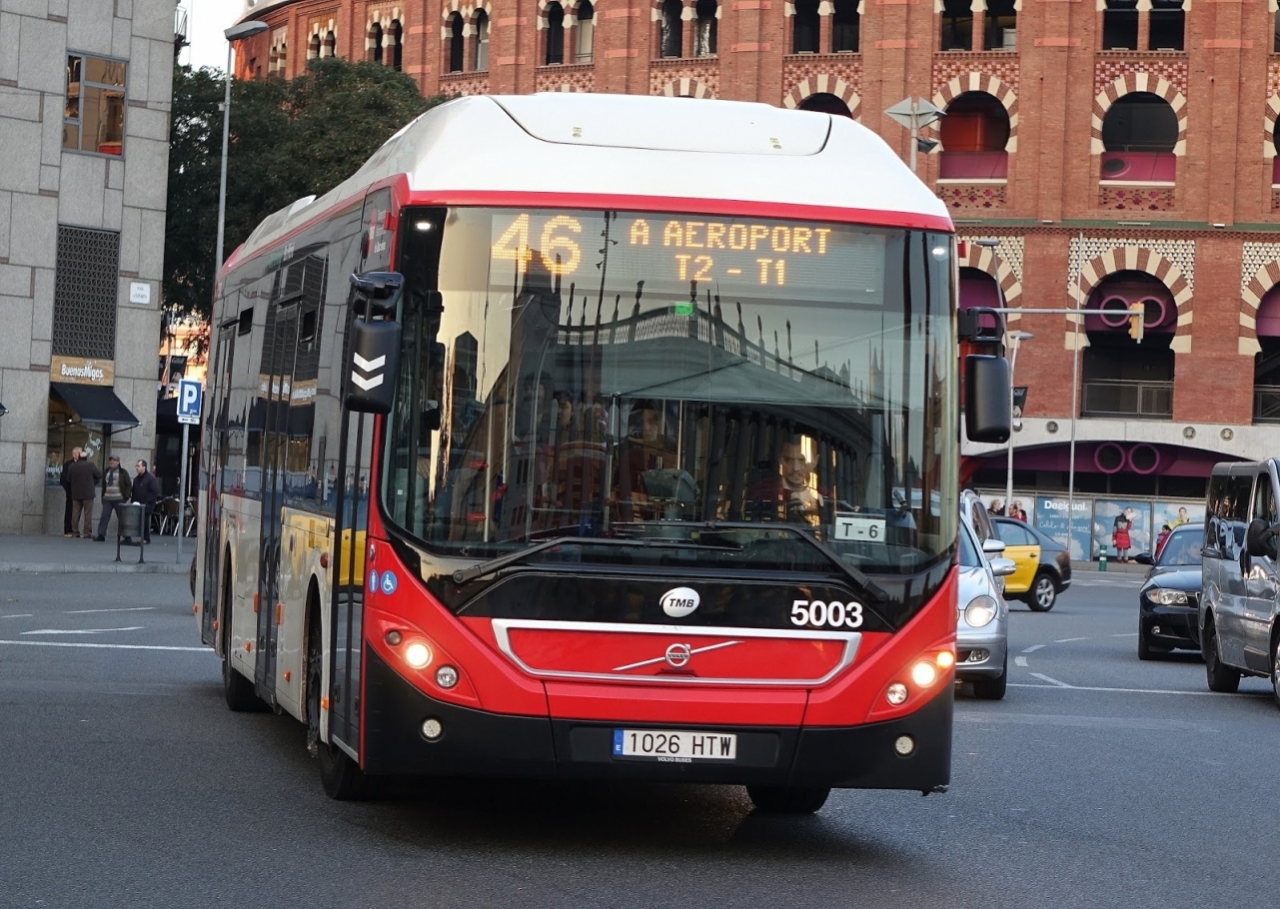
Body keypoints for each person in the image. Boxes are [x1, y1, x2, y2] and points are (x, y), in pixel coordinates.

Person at [779, 439, 823, 519]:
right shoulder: (764, 492)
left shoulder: (825, 496)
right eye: (788, 460)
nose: (796, 468)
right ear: (780, 459)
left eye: (802, 460)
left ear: (815, 461)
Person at [95, 455, 133, 542]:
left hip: (119, 498)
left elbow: (128, 485)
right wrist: (103, 497)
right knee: (104, 517)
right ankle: (101, 535)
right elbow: (104, 485)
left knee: (122, 518)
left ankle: (127, 536)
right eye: (111, 460)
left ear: (118, 462)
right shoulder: (106, 472)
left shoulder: (123, 472)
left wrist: (125, 497)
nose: (112, 462)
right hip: (107, 498)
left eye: (114, 460)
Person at [67, 450, 102, 539]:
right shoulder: (90, 465)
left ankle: (75, 532)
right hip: (88, 493)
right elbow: (99, 475)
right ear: (86, 458)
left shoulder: (72, 466)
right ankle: (86, 532)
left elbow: (68, 479)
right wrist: (93, 482)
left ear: (79, 457)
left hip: (76, 493)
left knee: (75, 513)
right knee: (87, 514)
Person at [132, 459, 161, 544]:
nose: (137, 468)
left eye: (139, 466)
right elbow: (134, 491)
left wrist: (147, 501)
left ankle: (146, 538)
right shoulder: (136, 479)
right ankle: (144, 537)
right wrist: (133, 501)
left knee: (144, 518)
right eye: (136, 466)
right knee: (142, 519)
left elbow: (155, 491)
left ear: (144, 467)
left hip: (147, 503)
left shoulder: (151, 478)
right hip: (139, 503)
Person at [59, 448, 79, 537]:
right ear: (74, 454)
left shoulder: (84, 464)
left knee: (77, 511)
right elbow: (63, 478)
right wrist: (68, 489)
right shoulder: (68, 464)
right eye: (78, 453)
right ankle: (68, 529)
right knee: (69, 510)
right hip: (70, 491)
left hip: (80, 491)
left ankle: (75, 529)